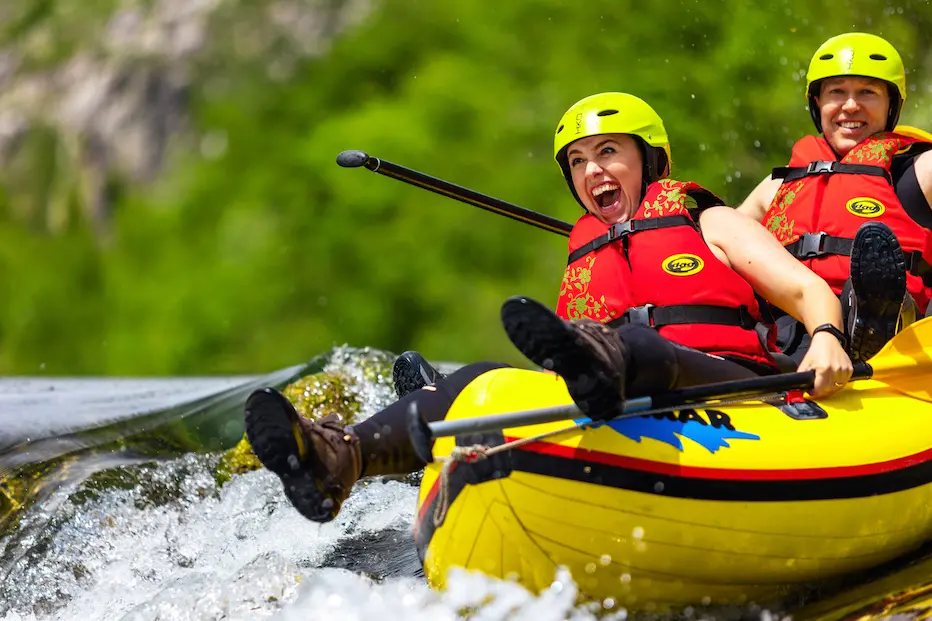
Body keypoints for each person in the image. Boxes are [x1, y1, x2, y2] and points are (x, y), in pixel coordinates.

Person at [243, 92, 853, 525]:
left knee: (642, 347)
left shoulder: (708, 220)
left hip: (733, 388)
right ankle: (336, 458)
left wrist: (826, 334)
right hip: (624, 399)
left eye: (610, 152)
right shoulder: (586, 251)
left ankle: (596, 366)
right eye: (580, 161)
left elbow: (805, 291)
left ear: (652, 161)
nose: (594, 170)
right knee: (479, 379)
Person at [737, 32, 932, 363]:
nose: (850, 105)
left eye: (867, 92)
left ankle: (872, 319)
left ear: (892, 105)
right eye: (836, 92)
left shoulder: (921, 170)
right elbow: (714, 249)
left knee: (874, 294)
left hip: (896, 350)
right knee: (719, 227)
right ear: (817, 104)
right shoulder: (777, 185)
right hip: (788, 340)